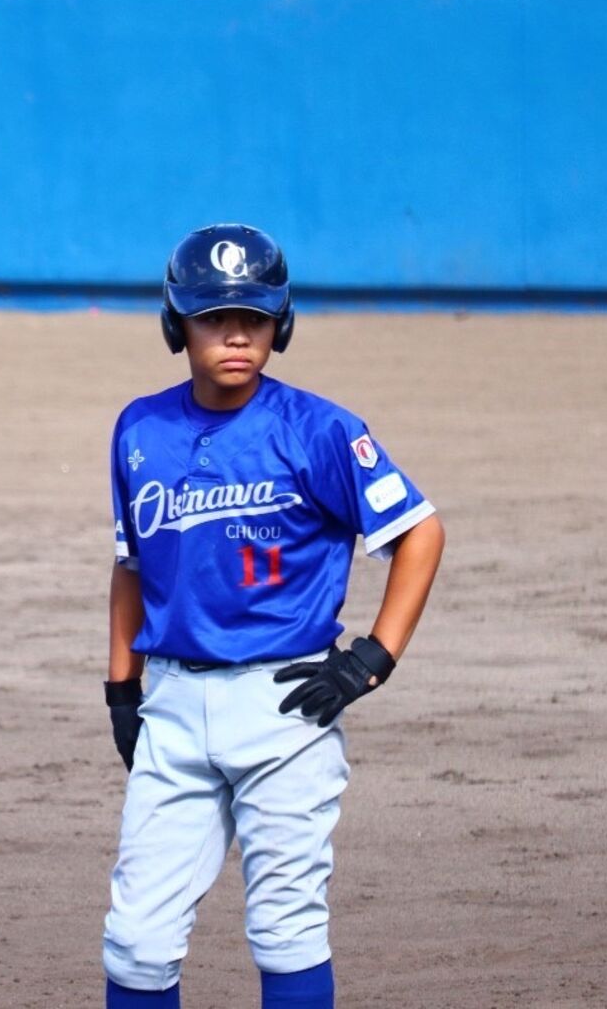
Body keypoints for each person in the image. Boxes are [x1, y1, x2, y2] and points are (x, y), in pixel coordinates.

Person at [101, 224, 445, 1009]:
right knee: (136, 942)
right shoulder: (139, 429)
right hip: (172, 705)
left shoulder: (319, 429)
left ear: (279, 325)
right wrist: (121, 689)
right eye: (212, 318)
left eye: (253, 318)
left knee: (286, 927)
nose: (235, 335)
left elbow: (419, 531)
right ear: (175, 325)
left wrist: (372, 657)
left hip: (285, 705)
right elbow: (130, 566)